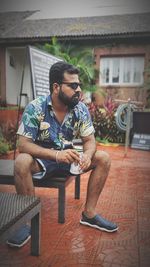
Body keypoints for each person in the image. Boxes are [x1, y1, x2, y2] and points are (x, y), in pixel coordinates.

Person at [7, 61, 118, 248]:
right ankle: (25, 223)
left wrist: (88, 156)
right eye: (73, 85)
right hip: (42, 159)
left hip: (69, 158)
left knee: (103, 158)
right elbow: (23, 145)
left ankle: (89, 214)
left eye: (79, 84)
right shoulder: (36, 107)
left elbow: (89, 141)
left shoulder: (80, 108)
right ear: (56, 87)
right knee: (21, 161)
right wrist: (56, 155)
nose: (79, 89)